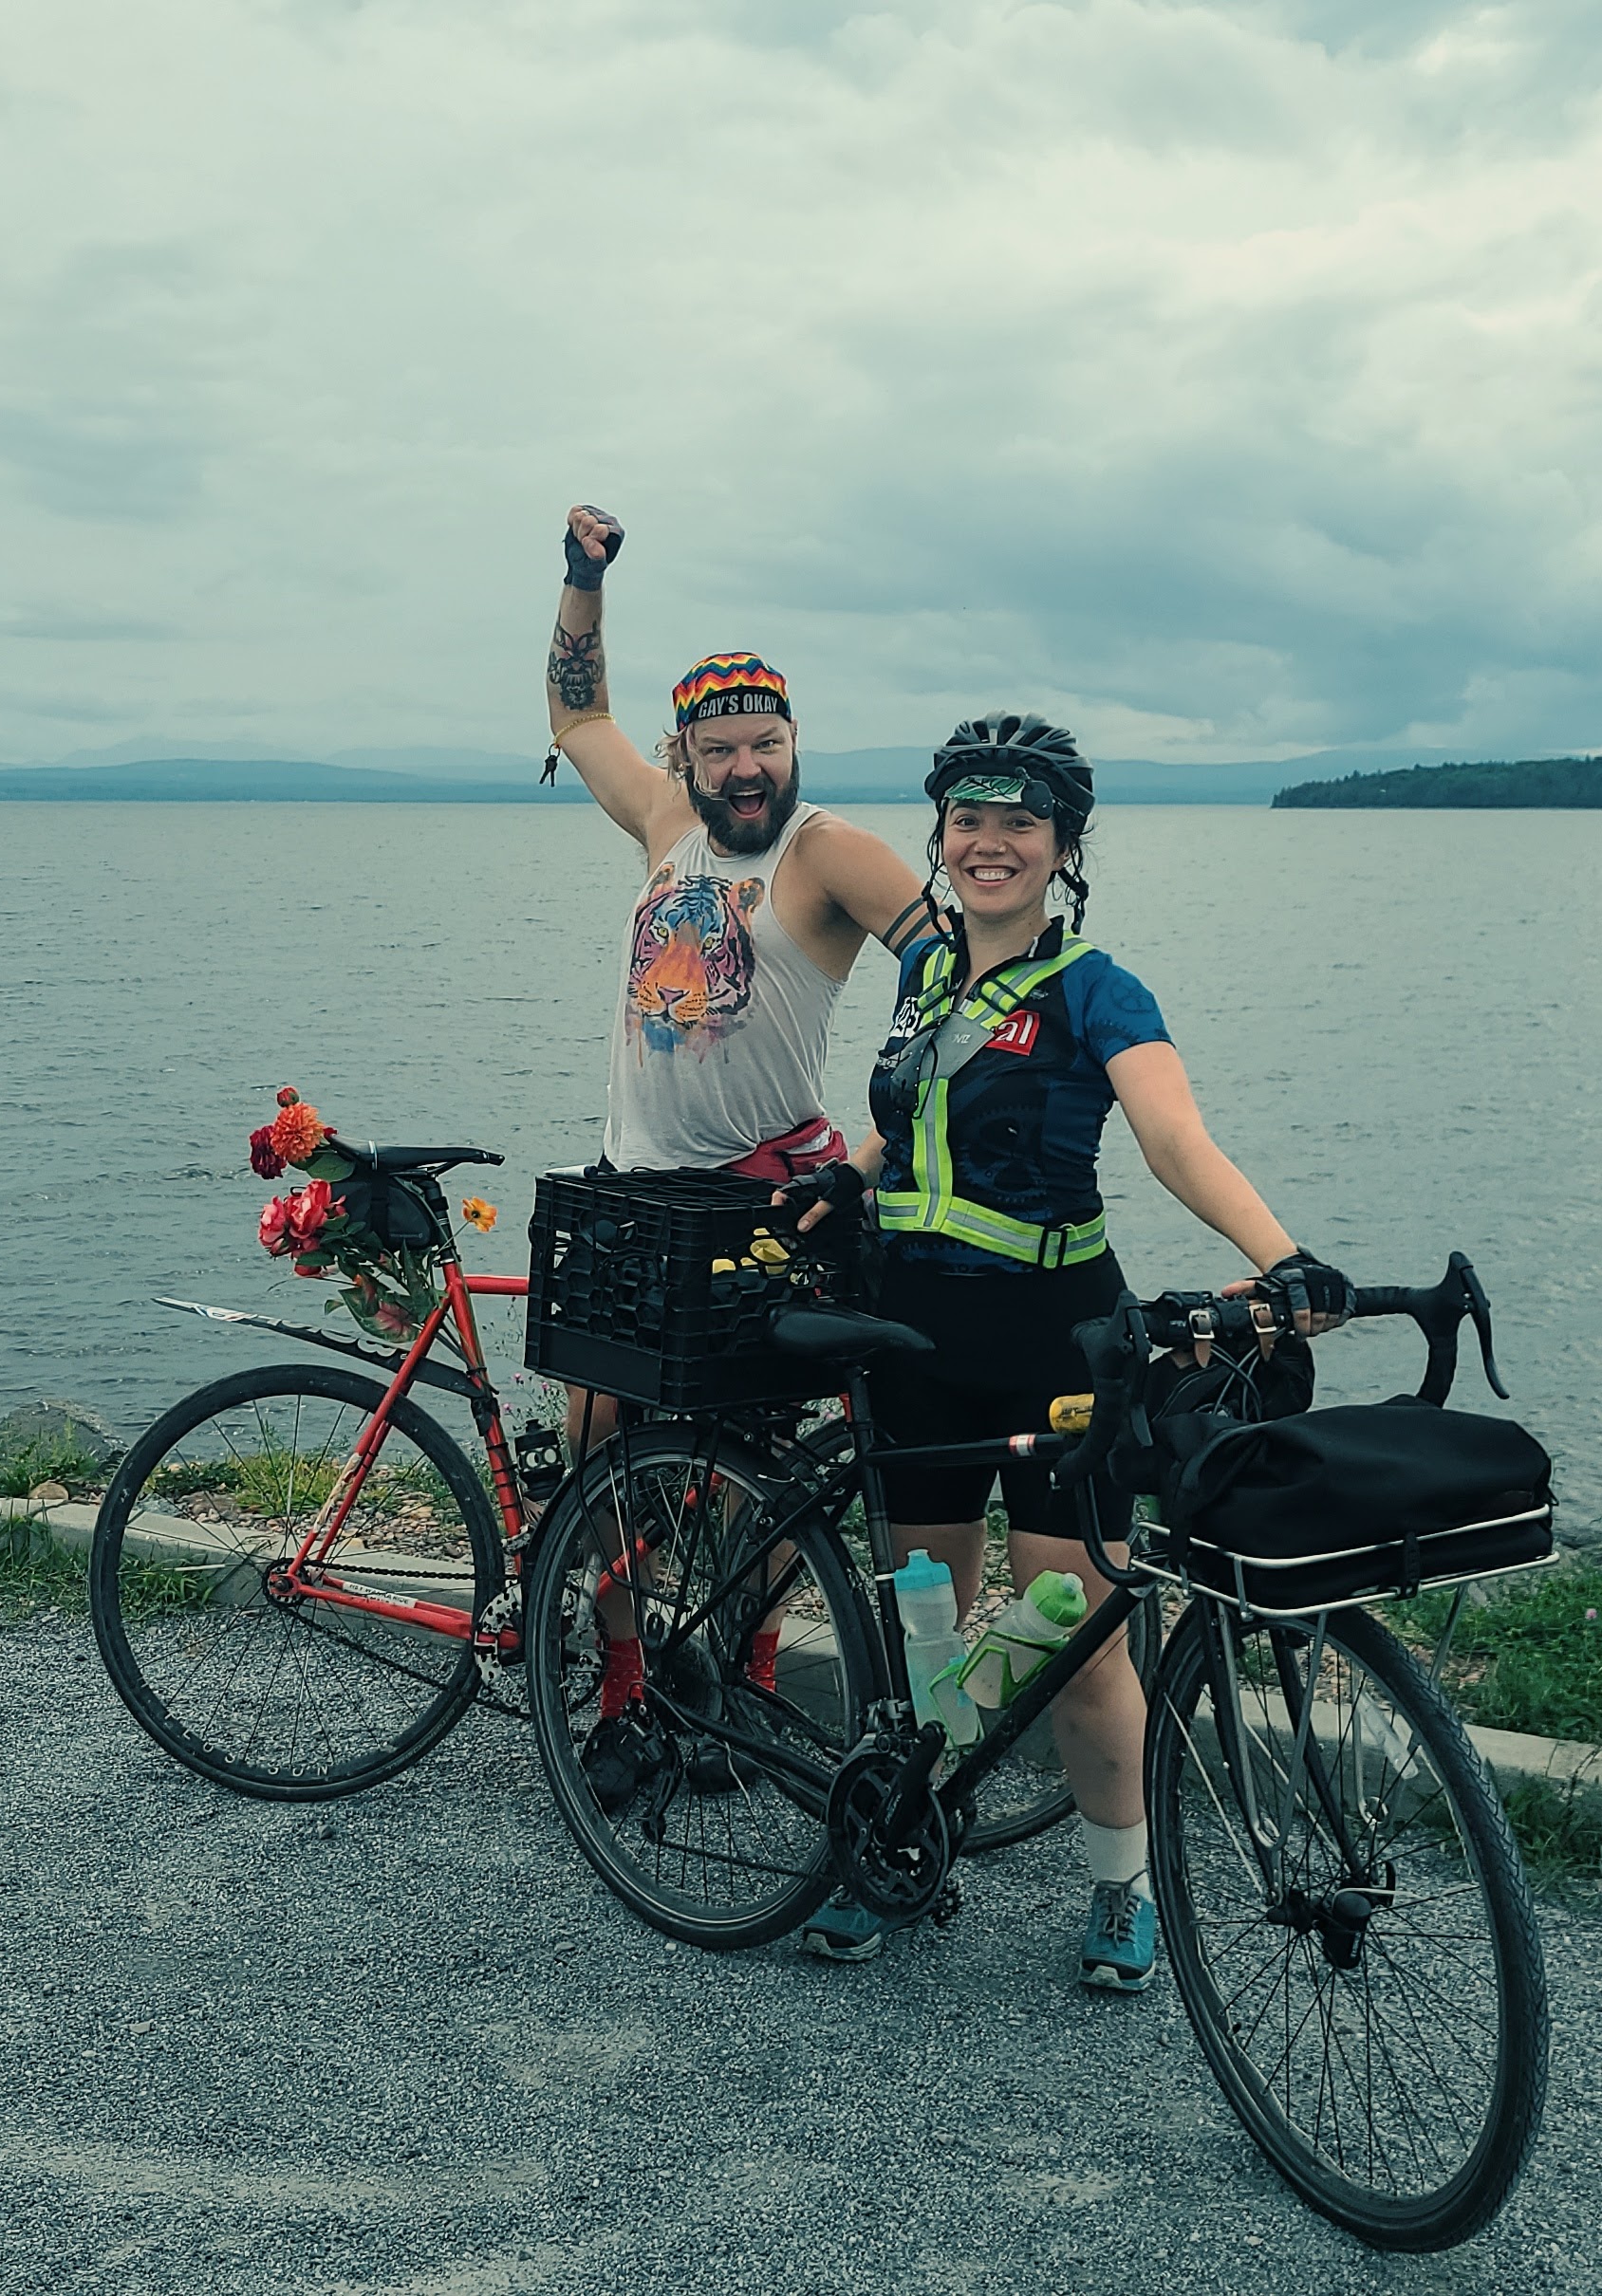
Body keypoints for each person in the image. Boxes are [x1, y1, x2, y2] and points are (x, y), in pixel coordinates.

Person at [777, 713, 1352, 1989]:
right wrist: (845, 1178)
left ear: (1063, 846)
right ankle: (901, 1835)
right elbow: (910, 1115)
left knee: (1077, 1644)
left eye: (1019, 824)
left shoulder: (1099, 990)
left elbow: (1174, 1139)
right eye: (967, 822)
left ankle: (1120, 1885)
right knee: (925, 1632)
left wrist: (1282, 1258)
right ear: (940, 837)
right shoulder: (926, 975)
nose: (989, 844)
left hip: (1055, 1346)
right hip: (910, 1341)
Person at [540, 505, 937, 1763]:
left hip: (765, 1198)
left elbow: (955, 977)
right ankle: (624, 1695)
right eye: (720, 750)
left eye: (767, 742)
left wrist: (881, 1138)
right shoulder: (666, 825)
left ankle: (748, 1689)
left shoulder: (831, 854)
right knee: (597, 1451)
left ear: (795, 743)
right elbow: (576, 718)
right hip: (637, 1195)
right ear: (689, 758)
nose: (747, 768)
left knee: (761, 1471)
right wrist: (582, 582)